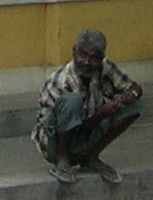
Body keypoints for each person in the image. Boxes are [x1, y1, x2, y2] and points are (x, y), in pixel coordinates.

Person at [33, 28, 141, 184]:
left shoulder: (105, 68)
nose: (87, 62)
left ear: (102, 58)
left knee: (133, 106)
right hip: (55, 142)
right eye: (82, 55)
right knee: (72, 101)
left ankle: (91, 158)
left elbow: (134, 87)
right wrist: (101, 115)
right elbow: (75, 128)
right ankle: (62, 161)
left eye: (94, 58)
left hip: (86, 134)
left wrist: (131, 95)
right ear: (74, 52)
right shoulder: (60, 80)